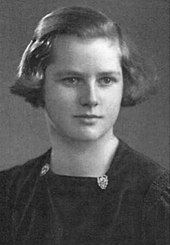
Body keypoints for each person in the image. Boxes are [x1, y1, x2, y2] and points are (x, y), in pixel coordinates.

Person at [0, 6, 169, 245]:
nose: (90, 98)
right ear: (40, 82)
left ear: (124, 84)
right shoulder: (9, 193)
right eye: (72, 79)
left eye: (106, 80)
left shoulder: (153, 197)